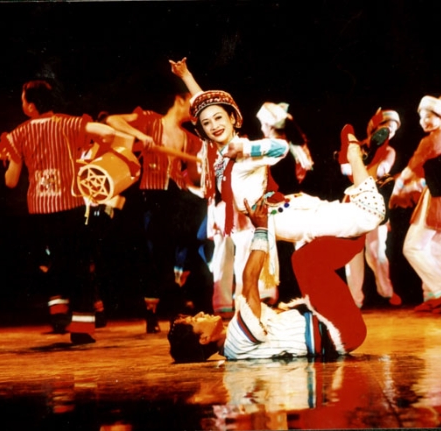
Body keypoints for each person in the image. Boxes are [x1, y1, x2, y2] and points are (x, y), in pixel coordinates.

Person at [170, 58, 386, 299]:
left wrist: (246, 149)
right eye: (207, 123)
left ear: (232, 118)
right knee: (309, 257)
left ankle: (354, 153)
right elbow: (206, 106)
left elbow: (280, 148)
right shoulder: (219, 151)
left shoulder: (241, 148)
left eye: (219, 118)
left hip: (286, 215)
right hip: (279, 215)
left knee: (369, 214)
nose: (213, 125)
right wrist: (186, 76)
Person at [167, 168, 370, 361]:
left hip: (335, 326)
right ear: (204, 339)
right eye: (195, 321)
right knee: (305, 261)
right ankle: (364, 214)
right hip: (340, 329)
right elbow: (249, 280)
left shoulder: (235, 345)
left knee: (305, 256)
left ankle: (357, 213)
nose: (199, 314)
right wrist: (261, 229)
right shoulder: (237, 338)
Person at [2, 79, 127, 344]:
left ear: (31, 106)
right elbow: (107, 133)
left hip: (39, 209)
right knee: (79, 264)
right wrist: (87, 152)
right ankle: (81, 329)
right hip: (70, 205)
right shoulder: (68, 124)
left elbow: (11, 181)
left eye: (23, 99)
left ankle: (58, 314)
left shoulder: (18, 134)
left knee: (53, 263)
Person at [104, 82, 212, 334]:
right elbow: (112, 121)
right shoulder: (151, 121)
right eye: (192, 104)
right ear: (179, 99)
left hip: (174, 195)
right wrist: (142, 137)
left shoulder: (189, 138)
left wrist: (207, 164)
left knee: (182, 246)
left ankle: (181, 305)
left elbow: (194, 176)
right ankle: (154, 311)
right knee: (156, 254)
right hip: (150, 195)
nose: (195, 112)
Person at [390, 96, 441, 313]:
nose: (424, 121)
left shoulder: (431, 140)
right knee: (436, 250)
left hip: (437, 202)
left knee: (412, 247)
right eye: (421, 117)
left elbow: (412, 167)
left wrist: (396, 191)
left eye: (429, 117)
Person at [342, 108, 402, 307]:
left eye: (393, 130)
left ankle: (386, 291)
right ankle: (354, 299)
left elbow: (381, 171)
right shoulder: (356, 147)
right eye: (386, 128)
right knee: (353, 253)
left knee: (376, 252)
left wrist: (363, 162)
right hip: (354, 202)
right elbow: (346, 170)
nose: (389, 132)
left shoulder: (389, 152)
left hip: (376, 204)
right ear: (375, 127)